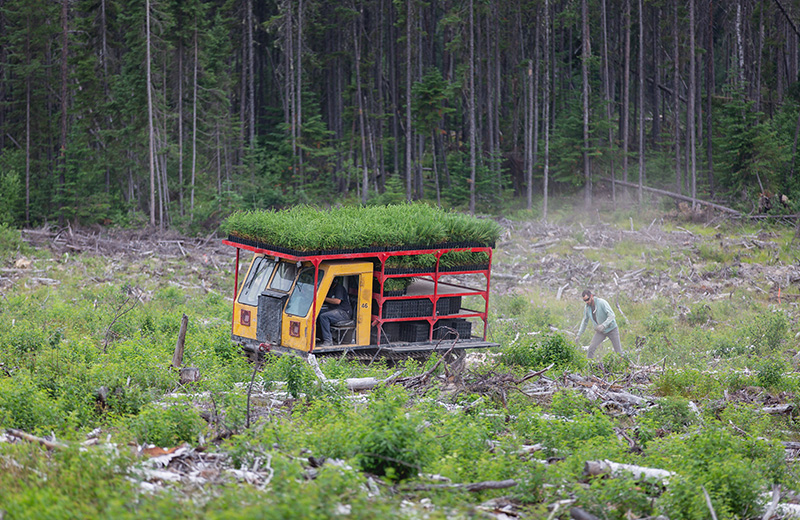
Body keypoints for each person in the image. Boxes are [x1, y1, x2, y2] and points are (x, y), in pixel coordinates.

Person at [577, 289, 624, 359]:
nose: (587, 302)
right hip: (600, 332)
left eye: (588, 299)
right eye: (585, 300)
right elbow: (584, 322)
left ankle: (622, 367)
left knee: (618, 352)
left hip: (612, 329)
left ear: (591, 296)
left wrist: (604, 325)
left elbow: (612, 316)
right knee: (591, 349)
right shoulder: (587, 308)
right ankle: (589, 366)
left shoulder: (602, 302)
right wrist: (579, 335)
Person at [318, 278, 352, 346]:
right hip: (334, 311)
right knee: (318, 313)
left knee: (324, 316)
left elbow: (337, 301)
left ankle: (328, 341)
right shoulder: (329, 289)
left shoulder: (339, 288)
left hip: (344, 313)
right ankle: (320, 337)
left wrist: (323, 298)